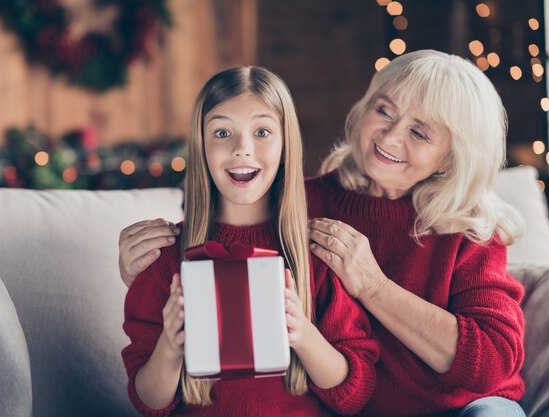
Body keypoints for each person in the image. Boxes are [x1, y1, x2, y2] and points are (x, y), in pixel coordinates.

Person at [119, 50, 527, 417]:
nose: (389, 136)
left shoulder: (466, 230)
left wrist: (373, 286)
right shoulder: (298, 204)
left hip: (461, 410)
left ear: (449, 158)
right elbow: (225, 240)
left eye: (419, 133)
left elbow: (492, 362)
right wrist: (138, 271)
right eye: (384, 111)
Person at [121, 66, 379, 417]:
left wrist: (301, 332)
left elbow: (353, 395)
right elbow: (148, 402)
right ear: (201, 147)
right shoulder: (166, 258)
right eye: (222, 132)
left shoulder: (315, 253)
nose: (242, 148)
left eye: (262, 132)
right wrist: (171, 343)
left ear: (286, 144)